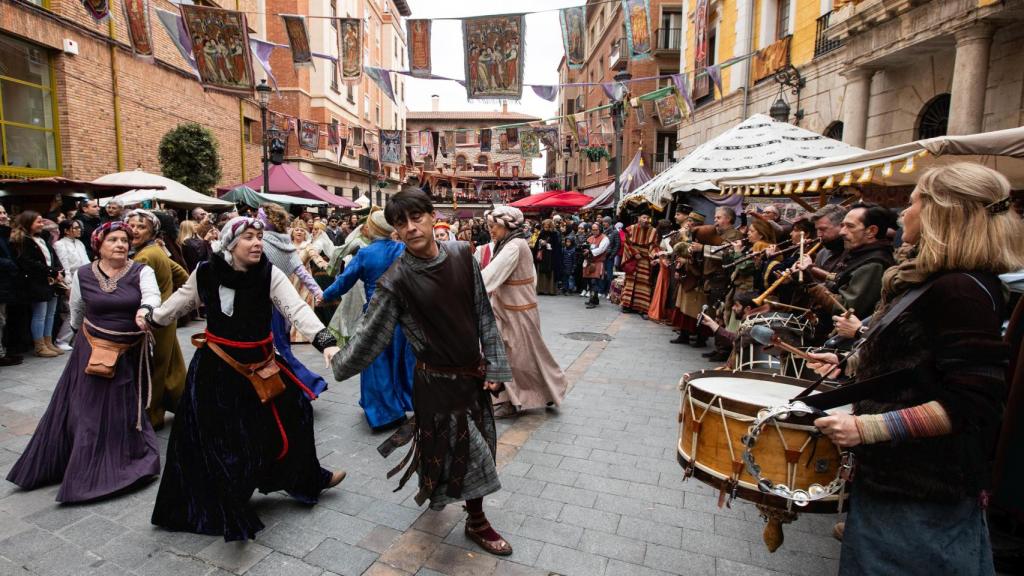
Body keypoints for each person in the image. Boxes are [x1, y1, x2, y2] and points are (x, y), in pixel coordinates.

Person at [807, 163, 1024, 575]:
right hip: (899, 475)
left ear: (942, 212)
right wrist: (849, 362)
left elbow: (973, 403)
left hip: (923, 488)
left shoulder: (962, 289)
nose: (904, 214)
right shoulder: (940, 281)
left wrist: (866, 428)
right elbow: (919, 362)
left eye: (913, 202)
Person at [328, 189, 514, 556]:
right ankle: (477, 521)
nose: (411, 228)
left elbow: (482, 314)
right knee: (471, 453)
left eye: (417, 218)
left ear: (432, 217)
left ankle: (444, 492)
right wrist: (337, 361)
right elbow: (370, 336)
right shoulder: (395, 281)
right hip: (434, 386)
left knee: (462, 449)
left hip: (471, 380)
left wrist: (494, 366)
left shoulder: (463, 255)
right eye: (401, 223)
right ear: (395, 230)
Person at [148, 216, 345, 542]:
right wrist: (152, 317)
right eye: (249, 238)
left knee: (297, 410)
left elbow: (296, 309)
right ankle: (229, 501)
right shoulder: (205, 272)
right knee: (226, 438)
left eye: (259, 237)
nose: (257, 243)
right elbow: (179, 303)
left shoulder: (269, 273)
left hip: (262, 366)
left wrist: (325, 341)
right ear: (230, 243)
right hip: (216, 370)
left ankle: (308, 478)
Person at [7, 222, 161, 501]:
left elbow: (152, 296)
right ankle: (82, 465)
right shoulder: (83, 274)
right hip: (90, 347)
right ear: (98, 244)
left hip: (128, 350)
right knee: (86, 407)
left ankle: (118, 460)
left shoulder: (142, 271)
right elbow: (77, 310)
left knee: (121, 405)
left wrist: (145, 311)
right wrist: (81, 336)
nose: (120, 244)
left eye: (125, 240)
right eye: (113, 239)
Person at [322, 210, 415, 431]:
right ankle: (402, 402)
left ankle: (384, 413)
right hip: (402, 315)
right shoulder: (404, 250)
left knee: (376, 363)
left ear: (373, 228)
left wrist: (325, 295)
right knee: (398, 359)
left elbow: (344, 282)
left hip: (375, 314)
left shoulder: (366, 253)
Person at [481, 206, 567, 416]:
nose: (490, 230)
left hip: (517, 313)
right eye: (489, 225)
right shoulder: (512, 243)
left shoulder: (513, 246)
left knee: (519, 359)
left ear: (507, 226)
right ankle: (533, 394)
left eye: (494, 226)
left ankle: (517, 400)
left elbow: (488, 278)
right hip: (514, 310)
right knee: (519, 357)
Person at [255, 204, 328, 397]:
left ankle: (305, 386)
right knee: (280, 349)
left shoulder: (260, 243)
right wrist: (319, 291)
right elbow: (302, 272)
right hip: (279, 305)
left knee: (274, 351)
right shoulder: (286, 246)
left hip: (261, 306)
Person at [126, 209, 189, 428]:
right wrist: (171, 298)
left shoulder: (144, 255)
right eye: (132, 225)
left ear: (152, 231)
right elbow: (182, 275)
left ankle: (153, 416)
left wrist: (165, 299)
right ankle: (184, 405)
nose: (134, 230)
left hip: (153, 320)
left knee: (156, 368)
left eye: (141, 227)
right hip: (165, 317)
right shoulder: (156, 250)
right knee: (172, 365)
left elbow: (136, 292)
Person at [797, 202, 895, 321]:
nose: (842, 232)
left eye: (850, 226)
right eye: (843, 225)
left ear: (871, 231)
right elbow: (838, 279)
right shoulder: (857, 252)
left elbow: (846, 309)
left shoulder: (874, 263)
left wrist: (812, 285)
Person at [12, 211, 64, 358]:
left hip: (52, 281)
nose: (42, 224)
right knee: (40, 315)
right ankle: (39, 345)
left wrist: (59, 271)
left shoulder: (43, 239)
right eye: (39, 222)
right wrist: (52, 272)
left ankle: (48, 342)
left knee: (50, 314)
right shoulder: (24, 240)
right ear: (29, 223)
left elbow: (52, 257)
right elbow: (29, 263)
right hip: (37, 282)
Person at [52, 220, 89, 350]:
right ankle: (61, 340)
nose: (79, 230)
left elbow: (86, 262)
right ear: (66, 230)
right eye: (75, 228)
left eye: (79, 227)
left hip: (83, 278)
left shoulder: (79, 243)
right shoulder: (60, 244)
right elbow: (64, 265)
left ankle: (76, 339)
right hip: (70, 279)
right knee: (71, 310)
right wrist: (67, 285)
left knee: (84, 310)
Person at [620, 214, 658, 314]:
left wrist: (652, 256)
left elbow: (654, 245)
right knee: (630, 280)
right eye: (643, 217)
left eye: (647, 218)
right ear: (638, 218)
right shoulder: (631, 228)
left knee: (644, 282)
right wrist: (634, 252)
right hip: (633, 257)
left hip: (645, 259)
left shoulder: (653, 231)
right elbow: (626, 242)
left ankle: (641, 307)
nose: (646, 220)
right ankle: (626, 305)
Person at [0, 204, 23, 366]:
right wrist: (10, 264)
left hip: (6, 285)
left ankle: (2, 351)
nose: (3, 215)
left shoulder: (5, 234)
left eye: (3, 212)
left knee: (2, 320)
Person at [582, 222, 610, 309]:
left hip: (597, 262)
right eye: (593, 230)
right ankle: (595, 299)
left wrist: (589, 252)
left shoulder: (605, 239)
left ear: (600, 229)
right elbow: (585, 247)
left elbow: (601, 250)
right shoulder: (590, 238)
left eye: (596, 230)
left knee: (594, 282)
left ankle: (592, 300)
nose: (594, 231)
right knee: (590, 282)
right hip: (589, 262)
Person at [533, 219, 561, 296]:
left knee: (550, 272)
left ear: (550, 227)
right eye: (544, 227)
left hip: (551, 256)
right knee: (541, 272)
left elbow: (557, 247)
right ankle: (541, 289)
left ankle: (550, 290)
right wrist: (540, 243)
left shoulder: (555, 234)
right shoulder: (542, 233)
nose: (546, 229)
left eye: (547, 227)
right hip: (542, 256)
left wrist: (548, 245)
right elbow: (536, 245)